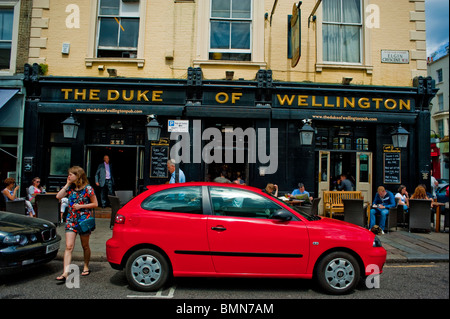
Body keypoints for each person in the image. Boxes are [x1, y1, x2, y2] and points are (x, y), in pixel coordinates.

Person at [55, 166, 98, 282]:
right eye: (68, 174)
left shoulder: (88, 189)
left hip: (83, 220)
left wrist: (81, 206)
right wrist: (67, 184)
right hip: (71, 220)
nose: (69, 176)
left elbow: (95, 204)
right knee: (69, 246)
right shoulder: (70, 189)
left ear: (78, 175)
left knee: (85, 246)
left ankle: (86, 266)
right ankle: (65, 272)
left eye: (71, 174)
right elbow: (58, 196)